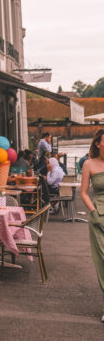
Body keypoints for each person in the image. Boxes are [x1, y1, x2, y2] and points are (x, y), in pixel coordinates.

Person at [79, 129, 104, 321]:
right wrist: (94, 213)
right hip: (99, 218)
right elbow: (84, 193)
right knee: (102, 262)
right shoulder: (89, 164)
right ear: (98, 143)